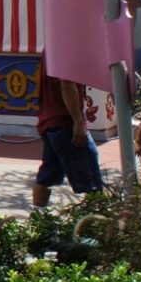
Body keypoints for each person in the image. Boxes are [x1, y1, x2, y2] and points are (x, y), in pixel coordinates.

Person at [32, 61, 104, 207]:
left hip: (51, 122)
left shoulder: (52, 45)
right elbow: (67, 85)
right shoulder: (64, 45)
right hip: (65, 123)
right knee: (91, 178)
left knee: (48, 175)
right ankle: (97, 222)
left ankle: (37, 219)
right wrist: (78, 123)